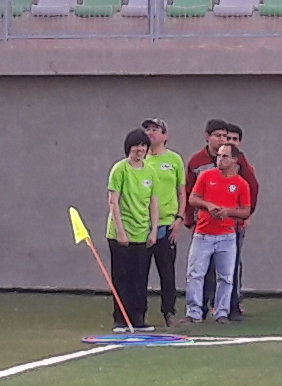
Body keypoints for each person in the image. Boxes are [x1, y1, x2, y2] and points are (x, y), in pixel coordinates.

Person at [101, 129, 181, 330]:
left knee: (139, 278)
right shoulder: (120, 169)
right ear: (129, 147)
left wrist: (153, 231)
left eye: (143, 145)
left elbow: (154, 203)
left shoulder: (150, 172)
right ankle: (121, 319)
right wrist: (120, 231)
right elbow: (113, 202)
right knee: (122, 277)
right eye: (136, 145)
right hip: (120, 234)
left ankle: (138, 319)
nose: (140, 149)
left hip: (142, 234)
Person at [182, 127, 256, 324]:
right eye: (219, 156)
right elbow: (193, 198)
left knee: (226, 276)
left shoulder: (241, 184)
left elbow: (245, 210)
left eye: (224, 156)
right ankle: (194, 312)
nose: (220, 159)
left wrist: (228, 212)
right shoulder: (206, 176)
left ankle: (222, 312)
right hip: (203, 233)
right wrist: (208, 205)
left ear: (234, 160)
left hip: (227, 235)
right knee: (195, 274)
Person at [208, 120, 264, 319]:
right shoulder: (202, 162)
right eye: (225, 137)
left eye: (233, 139)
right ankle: (208, 304)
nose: (228, 141)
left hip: (233, 225)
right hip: (208, 225)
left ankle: (232, 304)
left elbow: (252, 188)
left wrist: (246, 214)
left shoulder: (243, 166)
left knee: (231, 265)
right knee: (205, 266)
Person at [135, 119, 186, 323]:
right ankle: (139, 313)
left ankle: (169, 312)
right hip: (142, 225)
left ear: (165, 135)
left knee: (167, 271)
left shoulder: (174, 160)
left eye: (155, 129)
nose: (150, 133)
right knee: (140, 271)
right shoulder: (140, 160)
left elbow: (181, 191)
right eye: (147, 129)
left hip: (167, 224)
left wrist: (179, 218)